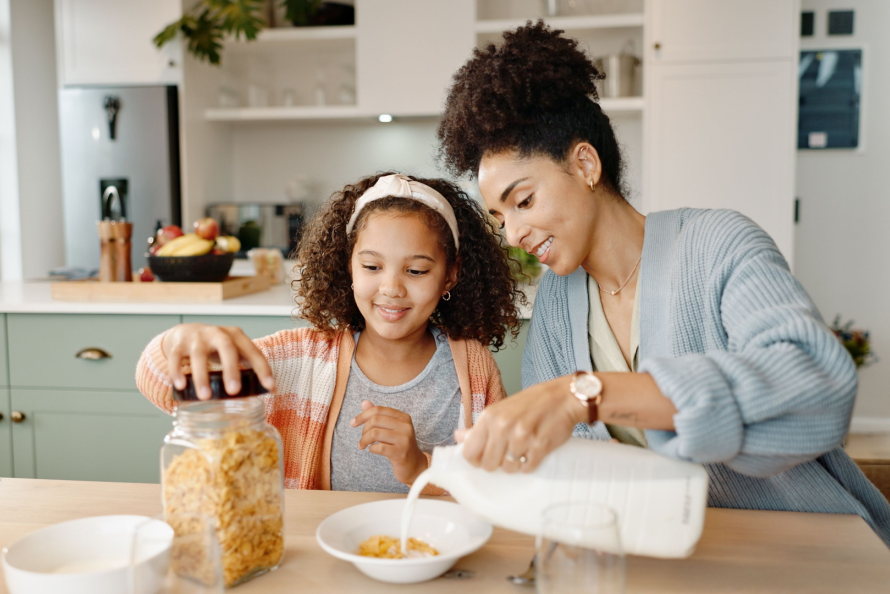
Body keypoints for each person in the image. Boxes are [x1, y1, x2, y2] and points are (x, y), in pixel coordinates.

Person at [436, 22, 890, 545]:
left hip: (815, 551)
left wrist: (587, 394)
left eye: (524, 201)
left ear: (585, 164)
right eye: (500, 218)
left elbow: (819, 387)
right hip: (682, 558)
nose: (513, 233)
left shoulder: (716, 243)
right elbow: (577, 469)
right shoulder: (560, 305)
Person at [136, 173, 523, 494]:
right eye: (372, 266)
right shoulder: (299, 359)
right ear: (349, 267)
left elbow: (498, 480)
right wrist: (178, 342)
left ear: (449, 275)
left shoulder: (472, 368)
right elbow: (158, 385)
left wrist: (421, 465)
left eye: (416, 271)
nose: (391, 288)